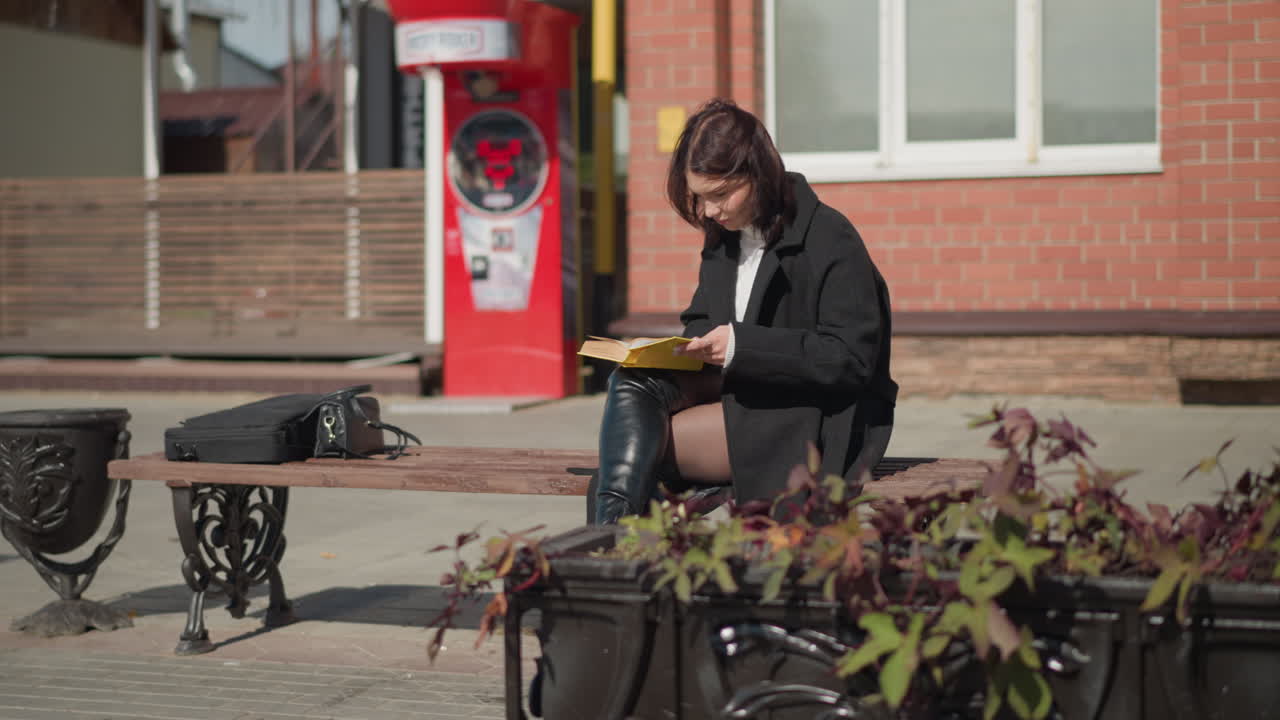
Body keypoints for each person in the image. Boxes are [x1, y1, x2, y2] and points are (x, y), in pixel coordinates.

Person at [591, 98, 897, 525]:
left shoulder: (831, 237)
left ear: (759, 173)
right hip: (746, 394)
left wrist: (742, 345)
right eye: (698, 199)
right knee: (631, 381)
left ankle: (604, 547)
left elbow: (851, 359)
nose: (708, 212)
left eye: (719, 196)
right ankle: (609, 540)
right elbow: (702, 320)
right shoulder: (724, 238)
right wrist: (675, 350)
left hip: (814, 416)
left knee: (634, 456)